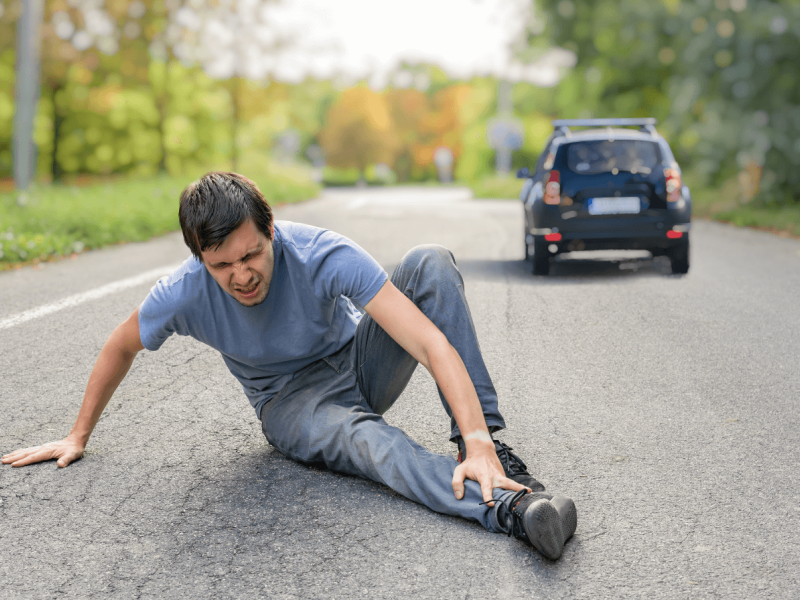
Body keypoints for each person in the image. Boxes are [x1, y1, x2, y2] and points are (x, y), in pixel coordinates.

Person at [2, 172, 577, 560]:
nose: (242, 274)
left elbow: (428, 342)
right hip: (293, 404)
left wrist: (474, 438)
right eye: (222, 264)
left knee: (428, 262)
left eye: (251, 253)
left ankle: (490, 456)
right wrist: (77, 435)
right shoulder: (181, 293)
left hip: (358, 365)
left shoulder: (323, 253)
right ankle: (512, 508)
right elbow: (119, 345)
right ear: (199, 258)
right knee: (375, 446)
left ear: (272, 230)